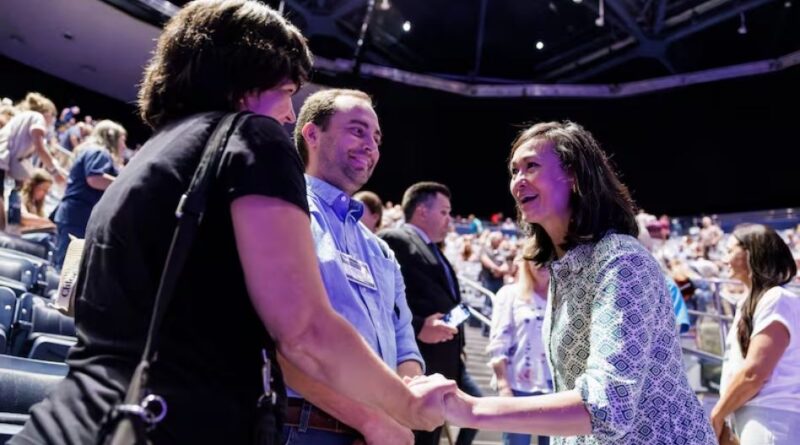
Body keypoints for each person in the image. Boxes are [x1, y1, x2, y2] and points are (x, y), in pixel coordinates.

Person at [10, 2, 452, 445]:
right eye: (286, 91)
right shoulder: (252, 138)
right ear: (246, 80)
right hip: (170, 423)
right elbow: (303, 332)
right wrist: (405, 407)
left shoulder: (155, 155)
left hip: (85, 418)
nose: (289, 116)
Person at [442, 121, 715, 445]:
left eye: (531, 166)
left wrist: (473, 410)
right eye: (514, 171)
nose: (518, 181)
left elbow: (607, 407)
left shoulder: (621, 260)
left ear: (573, 175)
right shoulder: (566, 270)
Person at [281, 89, 424, 444]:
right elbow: (278, 342)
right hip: (305, 428)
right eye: (358, 131)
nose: (371, 146)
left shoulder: (380, 250)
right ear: (312, 134)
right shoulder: (285, 213)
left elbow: (404, 341)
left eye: (376, 138)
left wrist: (409, 400)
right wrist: (371, 421)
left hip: (376, 433)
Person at [380, 182, 483, 445]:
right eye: (444, 212)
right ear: (422, 211)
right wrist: (418, 327)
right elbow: (383, 300)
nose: (450, 219)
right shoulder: (395, 239)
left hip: (442, 365)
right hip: (416, 368)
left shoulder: (435, 248)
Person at [710, 224, 800, 444]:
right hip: (754, 416)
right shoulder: (751, 301)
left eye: (730, 251)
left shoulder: (776, 298)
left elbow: (754, 374)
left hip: (771, 418)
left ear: (751, 253)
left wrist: (717, 414)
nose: (725, 259)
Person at [488, 255, 552, 445]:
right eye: (536, 257)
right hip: (518, 387)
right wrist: (503, 386)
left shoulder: (563, 296)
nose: (542, 263)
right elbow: (499, 341)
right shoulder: (510, 293)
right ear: (526, 261)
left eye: (548, 256)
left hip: (556, 389)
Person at [51, 120, 127, 270]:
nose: (124, 146)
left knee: (66, 266)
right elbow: (94, 178)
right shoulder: (99, 152)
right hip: (78, 216)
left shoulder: (92, 151)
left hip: (74, 215)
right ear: (112, 138)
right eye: (122, 140)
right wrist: (124, 182)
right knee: (67, 269)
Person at [0, 92, 67, 229]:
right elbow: (40, 147)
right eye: (53, 116)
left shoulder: (22, 118)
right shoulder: (37, 117)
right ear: (47, 112)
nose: (52, 121)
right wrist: (55, 172)